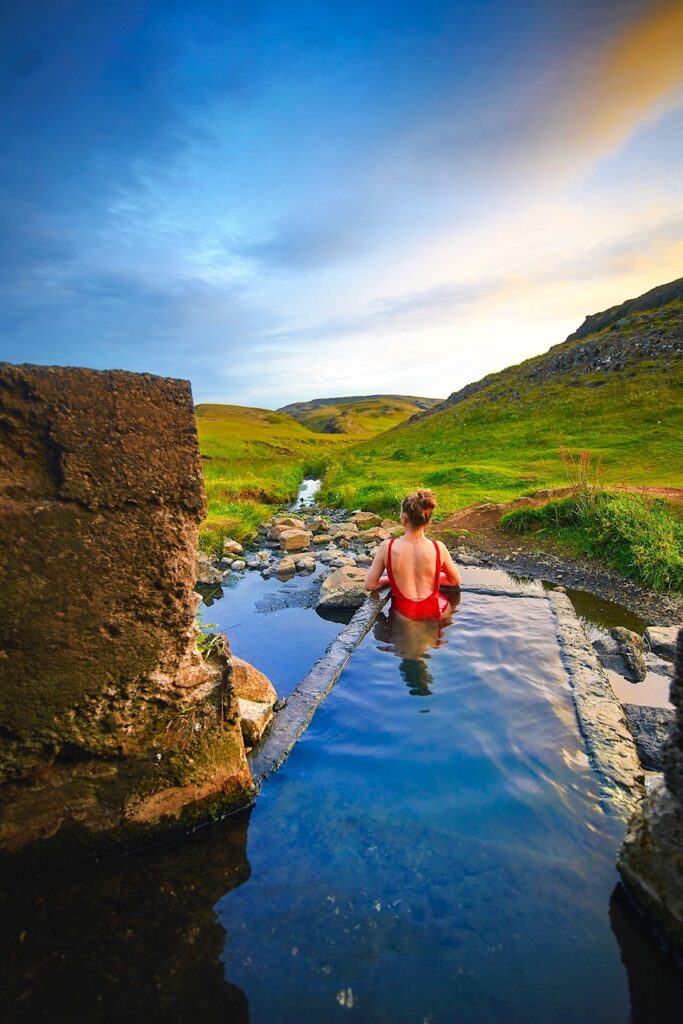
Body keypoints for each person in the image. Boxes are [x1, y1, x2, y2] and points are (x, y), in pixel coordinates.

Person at [364, 488, 461, 620]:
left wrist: (391, 579)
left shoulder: (387, 547)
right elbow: (454, 581)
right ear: (427, 519)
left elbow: (370, 585)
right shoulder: (439, 547)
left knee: (380, 635)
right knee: (435, 637)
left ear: (404, 517)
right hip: (438, 609)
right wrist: (429, 576)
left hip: (405, 612)